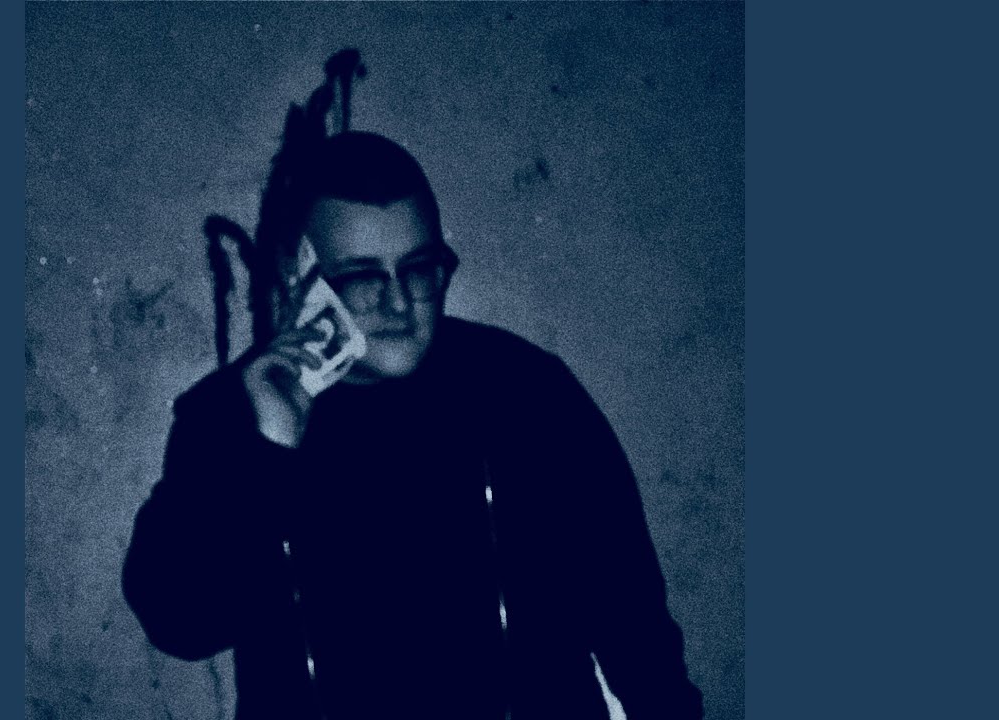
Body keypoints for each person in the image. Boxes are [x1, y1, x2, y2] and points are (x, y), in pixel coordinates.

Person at [122, 131, 703, 719]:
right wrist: (268, 451)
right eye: (363, 277)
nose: (399, 302)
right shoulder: (229, 414)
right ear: (299, 277)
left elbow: (632, 617)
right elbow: (182, 622)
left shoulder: (527, 391)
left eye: (419, 269)